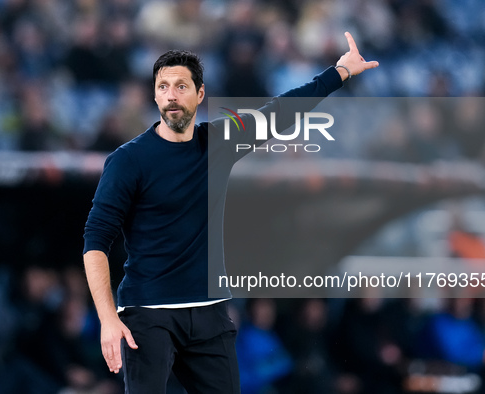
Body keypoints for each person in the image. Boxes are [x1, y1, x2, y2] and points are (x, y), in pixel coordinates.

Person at [83, 32, 378, 393]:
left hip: (209, 313)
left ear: (200, 94)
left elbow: (279, 113)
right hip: (148, 312)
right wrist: (108, 317)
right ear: (155, 94)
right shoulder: (128, 161)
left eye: (181, 86)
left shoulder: (218, 142)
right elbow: (95, 240)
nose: (171, 95)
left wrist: (339, 73)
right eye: (163, 87)